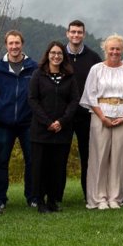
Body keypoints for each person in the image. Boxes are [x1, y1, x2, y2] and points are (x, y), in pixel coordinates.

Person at [80, 34, 123, 210]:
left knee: (119, 158)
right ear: (105, 49)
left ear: (122, 50)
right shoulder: (96, 69)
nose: (114, 52)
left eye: (117, 49)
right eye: (111, 48)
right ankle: (99, 198)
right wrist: (102, 116)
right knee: (99, 156)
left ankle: (115, 197)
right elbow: (90, 95)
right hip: (100, 116)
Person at [0, 30, 39, 211]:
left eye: (17, 43)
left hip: (28, 123)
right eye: (11, 43)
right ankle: (0, 199)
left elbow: (38, 95)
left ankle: (32, 197)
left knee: (32, 160)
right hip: (3, 124)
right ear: (6, 45)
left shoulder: (34, 67)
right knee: (0, 162)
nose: (14, 46)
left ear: (22, 44)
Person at [28, 41, 82, 213]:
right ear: (48, 55)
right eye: (53, 53)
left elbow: (74, 101)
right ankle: (40, 201)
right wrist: (48, 122)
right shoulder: (38, 75)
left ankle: (53, 200)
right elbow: (32, 100)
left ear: (63, 57)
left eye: (59, 53)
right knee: (40, 167)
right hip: (41, 131)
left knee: (58, 167)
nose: (56, 56)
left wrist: (61, 121)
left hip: (62, 130)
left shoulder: (69, 77)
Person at [63, 20, 101, 201]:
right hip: (64, 115)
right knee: (60, 156)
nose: (76, 35)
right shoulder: (58, 55)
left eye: (79, 32)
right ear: (67, 34)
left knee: (88, 156)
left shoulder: (93, 58)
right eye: (73, 32)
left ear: (84, 34)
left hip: (87, 115)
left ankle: (89, 194)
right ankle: (56, 196)